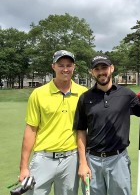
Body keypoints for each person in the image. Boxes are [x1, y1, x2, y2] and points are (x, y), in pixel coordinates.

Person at [73, 54, 140, 195]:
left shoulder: (127, 95)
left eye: (104, 67)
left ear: (112, 68)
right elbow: (81, 131)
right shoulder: (85, 98)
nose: (101, 72)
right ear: (92, 72)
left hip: (118, 160)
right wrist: (82, 162)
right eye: (97, 69)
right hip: (92, 161)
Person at [18, 50, 88, 195]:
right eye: (61, 65)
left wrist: (83, 162)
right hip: (43, 158)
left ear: (74, 67)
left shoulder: (84, 93)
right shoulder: (38, 93)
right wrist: (24, 167)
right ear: (53, 66)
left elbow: (84, 130)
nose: (65, 69)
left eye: (69, 65)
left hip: (71, 159)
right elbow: (31, 130)